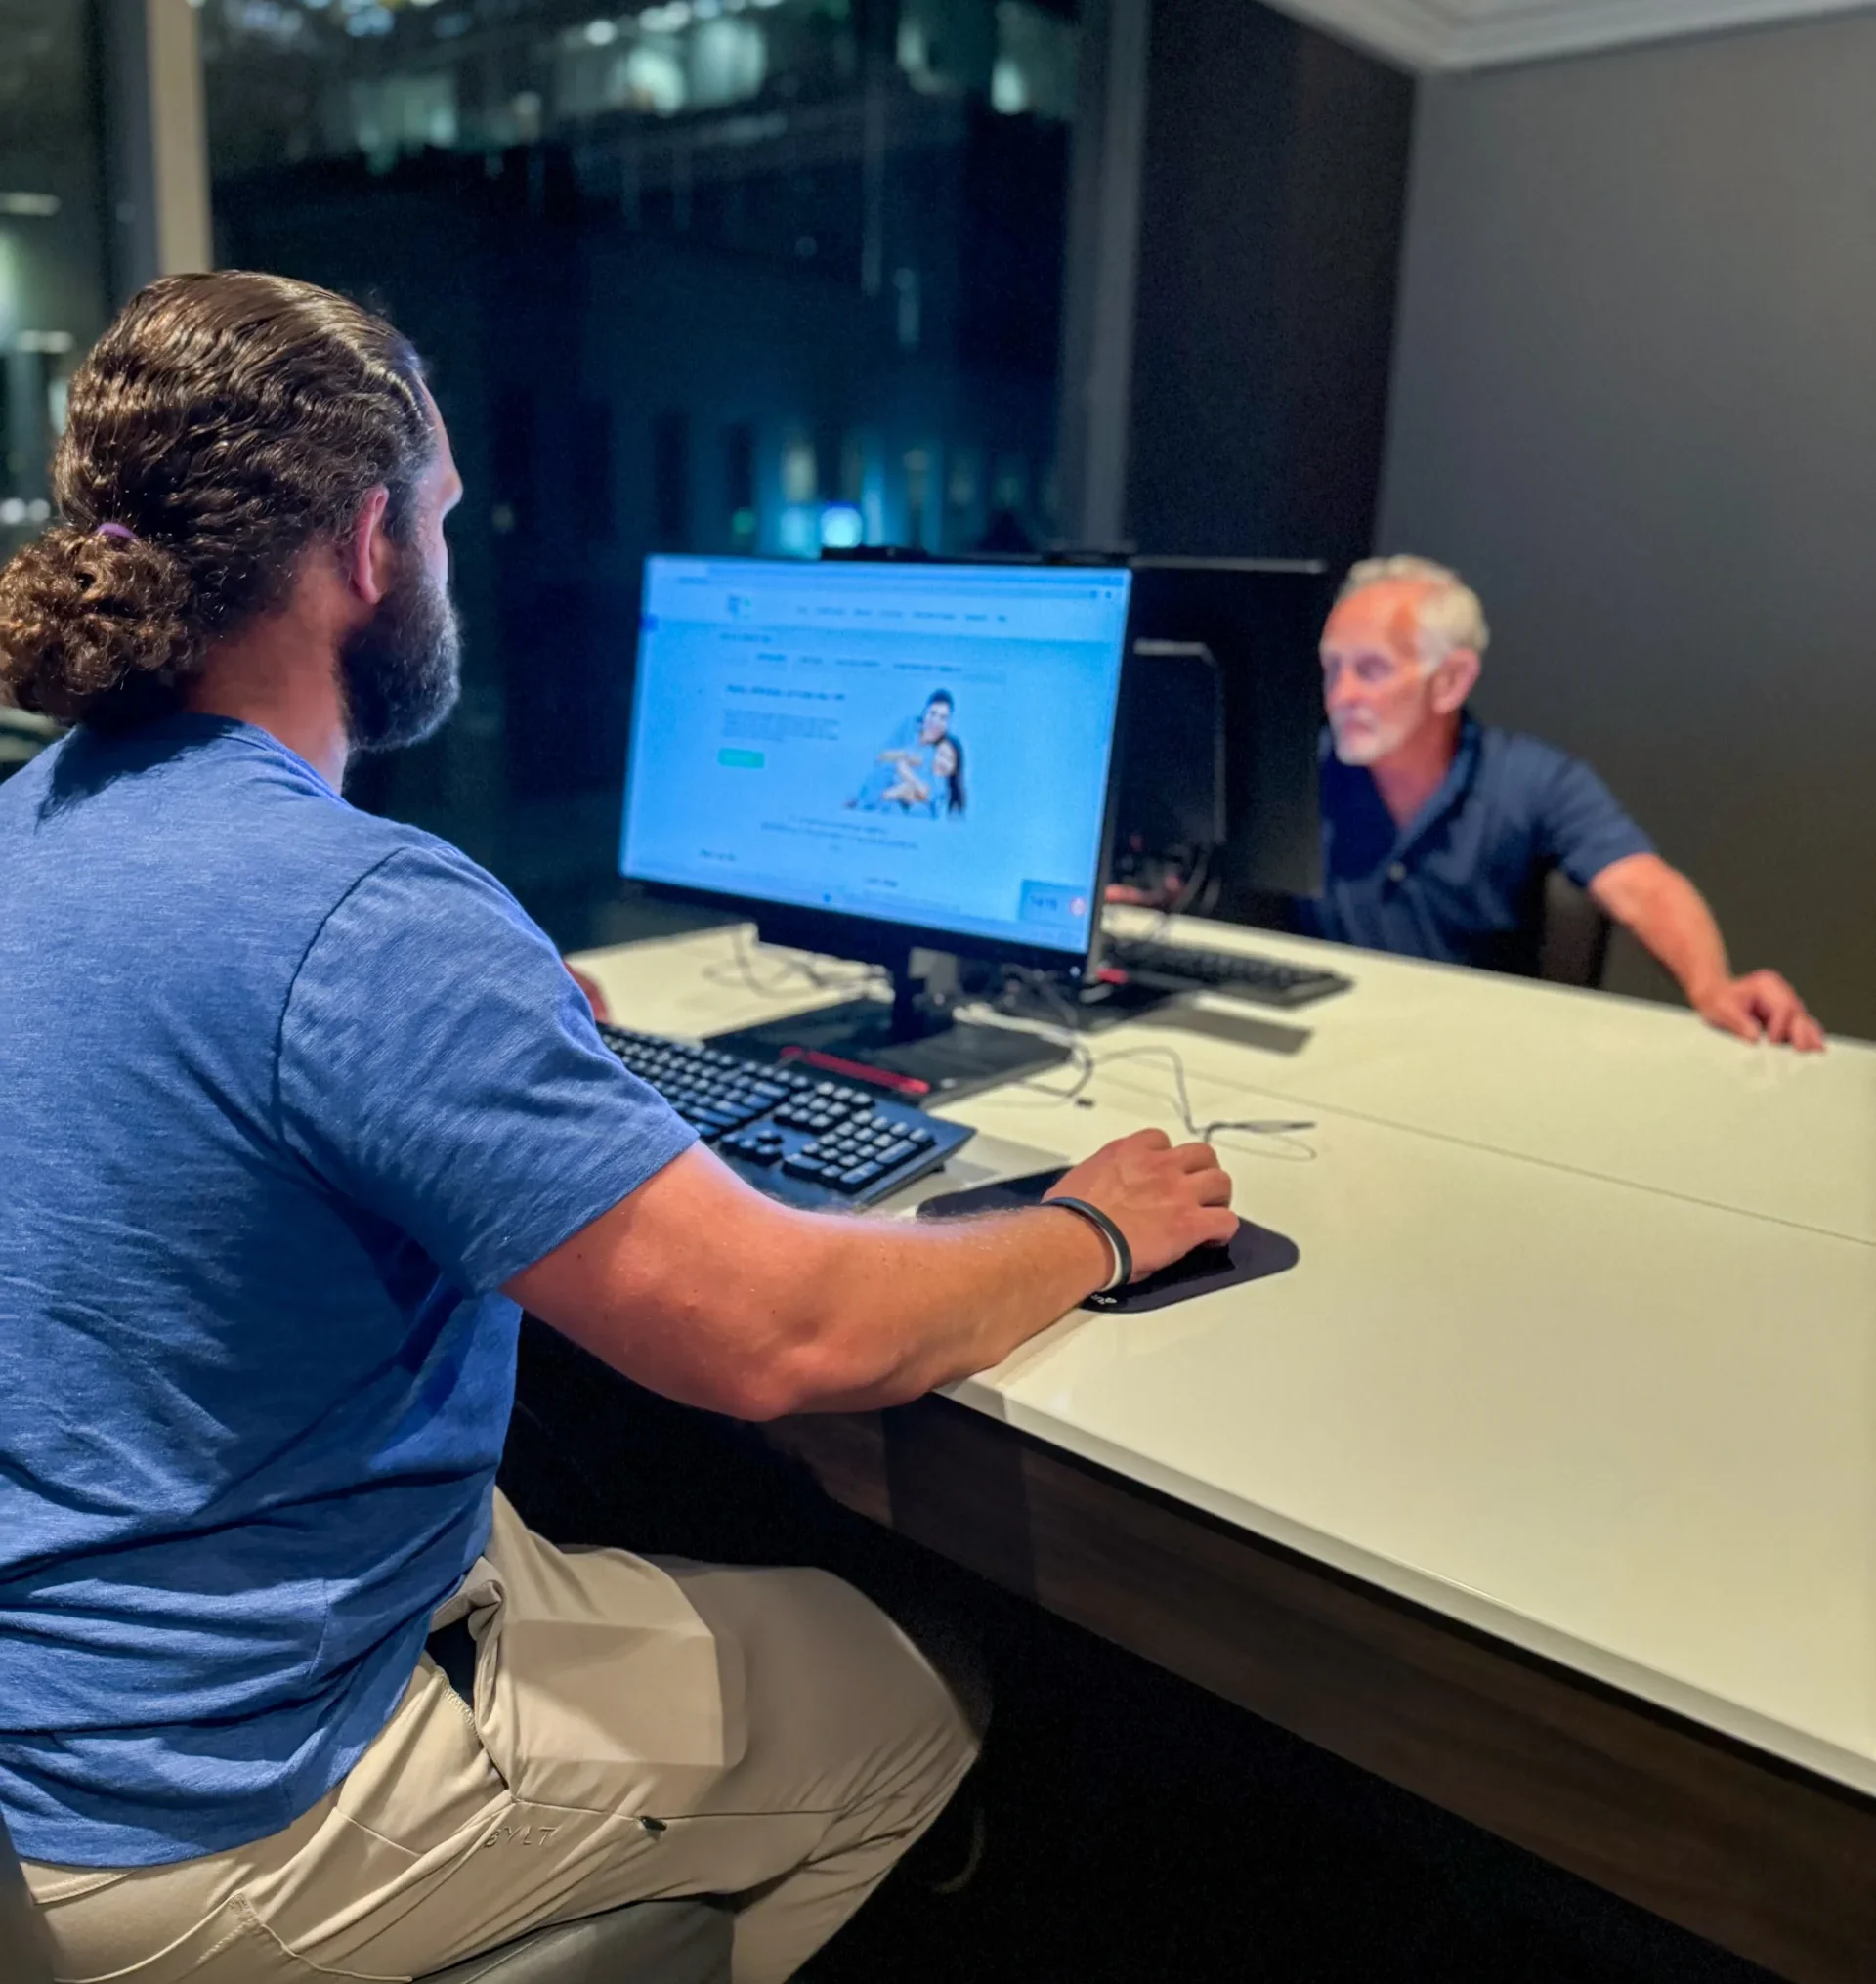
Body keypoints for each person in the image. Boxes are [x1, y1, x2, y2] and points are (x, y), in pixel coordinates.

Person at [0, 273, 1236, 1983]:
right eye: (436, 518)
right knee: (915, 1693)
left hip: (61, 1709)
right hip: (225, 1799)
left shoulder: (29, 829)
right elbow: (786, 1332)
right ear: (369, 548)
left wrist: (487, 1041)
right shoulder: (359, 917)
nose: (449, 558)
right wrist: (1092, 1225)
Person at [1304, 555, 1823, 1051]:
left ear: (1451, 681)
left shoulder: (1533, 781)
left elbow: (1643, 887)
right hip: (1326, 1039)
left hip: (1479, 1057)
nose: (1341, 695)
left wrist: (1712, 984)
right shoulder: (1300, 772)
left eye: (1371, 670)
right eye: (1332, 668)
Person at [850, 689, 951, 809]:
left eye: (942, 718)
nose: (935, 721)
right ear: (924, 713)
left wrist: (905, 773)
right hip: (871, 795)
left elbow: (927, 793)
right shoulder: (908, 727)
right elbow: (881, 756)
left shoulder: (944, 751)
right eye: (932, 714)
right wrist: (905, 756)